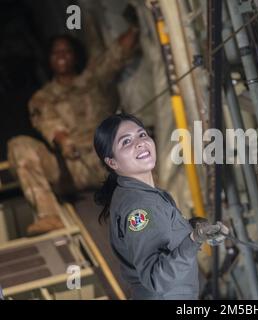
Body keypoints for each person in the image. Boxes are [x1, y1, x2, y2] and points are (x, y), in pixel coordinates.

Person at [7, 26, 139, 236]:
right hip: (70, 169)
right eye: (55, 52)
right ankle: (49, 216)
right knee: (18, 145)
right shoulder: (43, 97)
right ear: (48, 59)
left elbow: (117, 54)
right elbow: (48, 122)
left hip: (105, 161)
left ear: (75, 55)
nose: (61, 56)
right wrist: (64, 141)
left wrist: (137, 22)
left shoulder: (93, 79)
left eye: (66, 51)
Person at [93, 113, 228, 300]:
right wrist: (193, 240)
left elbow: (160, 233)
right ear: (112, 162)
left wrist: (193, 226)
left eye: (142, 135)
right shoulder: (140, 207)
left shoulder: (138, 193)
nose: (140, 143)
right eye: (126, 142)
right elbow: (156, 279)